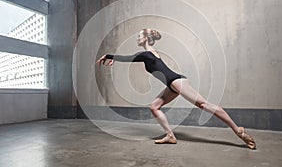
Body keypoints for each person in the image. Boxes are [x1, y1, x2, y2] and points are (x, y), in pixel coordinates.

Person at [96, 28, 256, 149]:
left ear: (145, 38)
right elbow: (131, 59)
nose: (137, 38)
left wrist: (109, 56)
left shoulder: (147, 54)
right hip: (171, 84)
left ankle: (238, 130)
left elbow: (129, 58)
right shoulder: (149, 54)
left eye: (139, 35)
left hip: (176, 81)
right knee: (154, 107)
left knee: (202, 104)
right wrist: (113, 59)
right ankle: (170, 136)